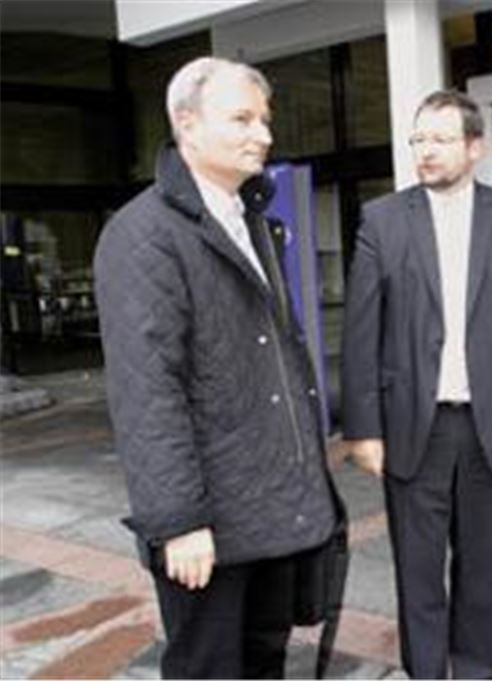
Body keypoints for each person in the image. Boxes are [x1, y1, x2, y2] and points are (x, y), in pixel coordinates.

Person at [93, 57, 341, 679]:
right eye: (241, 118)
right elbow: (148, 390)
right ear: (187, 125)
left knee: (265, 661)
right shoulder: (143, 234)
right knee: (208, 669)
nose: (262, 133)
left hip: (272, 511)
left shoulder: (253, 220)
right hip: (208, 527)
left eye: (264, 119)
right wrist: (178, 522)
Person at [340, 91, 492, 679]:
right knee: (417, 571)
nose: (426, 151)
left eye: (440, 139)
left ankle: (475, 669)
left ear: (474, 147)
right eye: (419, 139)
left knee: (485, 570)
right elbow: (362, 333)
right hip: (415, 427)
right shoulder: (382, 220)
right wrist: (363, 428)